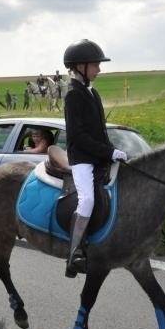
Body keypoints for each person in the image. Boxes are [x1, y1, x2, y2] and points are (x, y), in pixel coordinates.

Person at [62, 39, 127, 277]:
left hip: (98, 156)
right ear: (81, 66)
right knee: (87, 199)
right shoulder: (72, 95)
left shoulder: (92, 92)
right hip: (81, 159)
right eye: (96, 65)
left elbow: (99, 131)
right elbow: (78, 136)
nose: (99, 70)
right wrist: (108, 152)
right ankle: (74, 253)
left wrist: (112, 149)